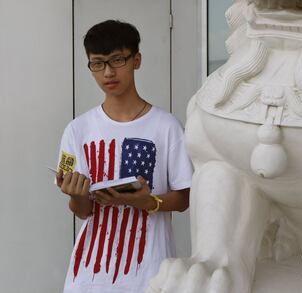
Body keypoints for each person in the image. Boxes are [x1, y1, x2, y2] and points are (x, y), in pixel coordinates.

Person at [55, 19, 193, 293]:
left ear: (136, 60)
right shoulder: (78, 130)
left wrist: (148, 202)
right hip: (89, 275)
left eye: (117, 60)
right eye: (98, 63)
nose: (108, 72)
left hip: (150, 273)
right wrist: (75, 195)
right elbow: (83, 212)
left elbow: (184, 198)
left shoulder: (166, 126)